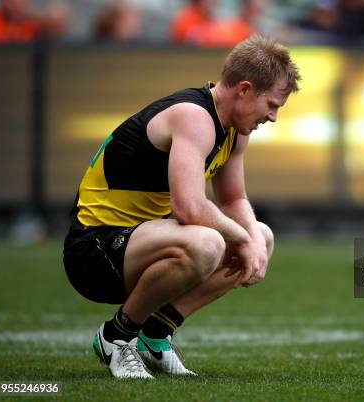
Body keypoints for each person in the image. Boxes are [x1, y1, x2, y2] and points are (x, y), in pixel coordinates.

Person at [63, 35, 300, 379]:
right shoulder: (193, 116)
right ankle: (116, 337)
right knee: (208, 242)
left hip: (138, 247)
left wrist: (250, 239)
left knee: (261, 235)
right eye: (273, 104)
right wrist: (240, 239)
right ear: (245, 89)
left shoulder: (235, 129)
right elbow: (188, 208)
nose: (274, 117)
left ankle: (156, 334)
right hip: (94, 252)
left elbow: (233, 199)